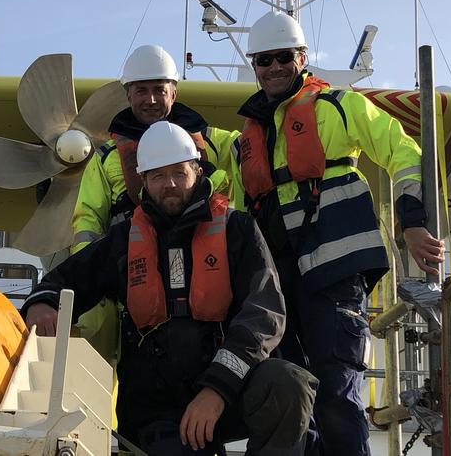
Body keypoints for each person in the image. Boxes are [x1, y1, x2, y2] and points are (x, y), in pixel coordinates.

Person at [24, 121, 317, 455]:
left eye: (180, 173)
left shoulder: (237, 229)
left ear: (197, 171)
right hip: (157, 409)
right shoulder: (123, 242)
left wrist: (216, 390)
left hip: (228, 388)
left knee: (288, 384)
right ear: (144, 182)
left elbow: (265, 314)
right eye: (159, 176)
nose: (171, 185)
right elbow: (65, 280)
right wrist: (43, 302)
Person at [229, 11, 445, 455]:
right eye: (263, 60)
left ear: (302, 57)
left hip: (335, 275)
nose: (273, 67)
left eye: (282, 57)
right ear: (253, 65)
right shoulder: (244, 140)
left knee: (337, 392)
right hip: (276, 287)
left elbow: (404, 152)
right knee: (288, 396)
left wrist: (413, 222)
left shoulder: (338, 106)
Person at [70, 44, 241, 361]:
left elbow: (255, 155)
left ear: (173, 93)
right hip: (131, 272)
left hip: (201, 271)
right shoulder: (107, 157)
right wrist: (88, 275)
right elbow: (88, 223)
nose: (150, 99)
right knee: (108, 361)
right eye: (141, 90)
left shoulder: (216, 143)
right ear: (128, 95)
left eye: (159, 90)